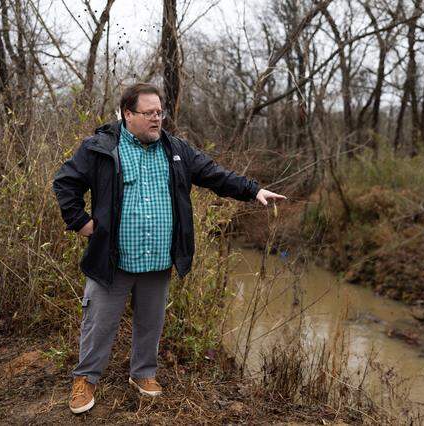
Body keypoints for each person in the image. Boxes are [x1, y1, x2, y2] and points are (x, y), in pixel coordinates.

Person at [52, 82, 286, 414]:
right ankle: (86, 378)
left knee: (151, 322)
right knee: (99, 323)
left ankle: (143, 373)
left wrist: (253, 190)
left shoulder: (175, 149)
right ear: (128, 114)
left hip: (159, 258)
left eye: (160, 112)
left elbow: (214, 174)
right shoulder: (101, 147)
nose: (157, 119)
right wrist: (80, 222)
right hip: (112, 258)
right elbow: (65, 182)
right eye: (149, 113)